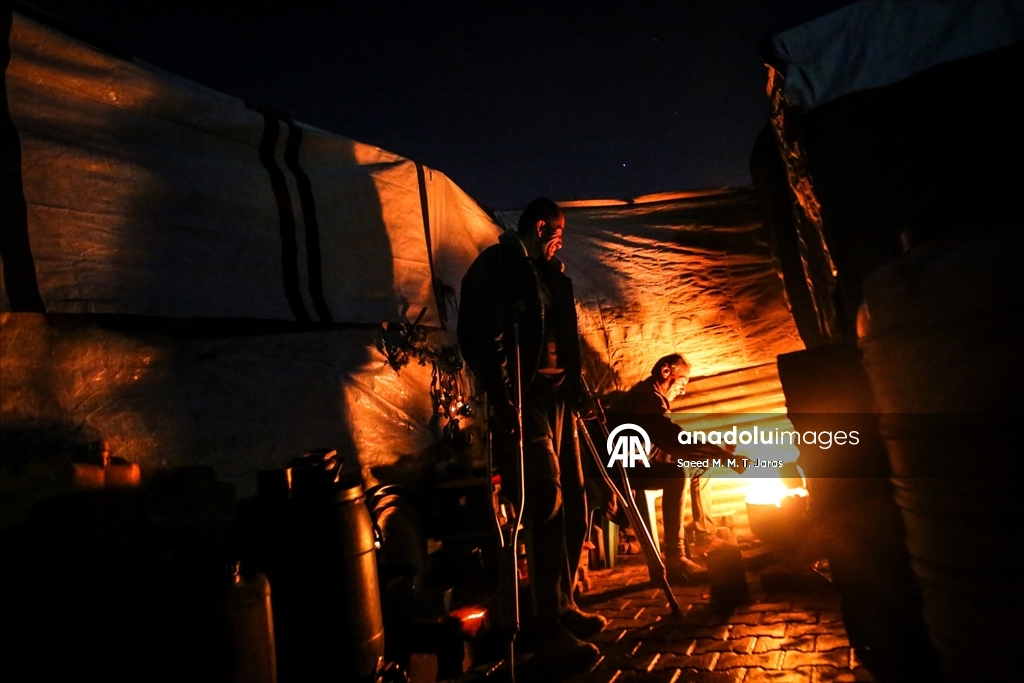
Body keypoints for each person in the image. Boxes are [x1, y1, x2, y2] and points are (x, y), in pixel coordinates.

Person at [457, 198, 603, 667]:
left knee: (576, 501)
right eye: (558, 233)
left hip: (559, 399)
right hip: (527, 399)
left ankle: (562, 604)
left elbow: (563, 336)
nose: (561, 242)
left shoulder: (547, 273)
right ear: (541, 227)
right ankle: (545, 629)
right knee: (547, 502)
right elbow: (482, 338)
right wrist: (504, 401)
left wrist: (579, 389)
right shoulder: (497, 266)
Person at [608, 354, 734, 583]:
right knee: (676, 474)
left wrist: (710, 454)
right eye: (682, 381)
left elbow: (661, 445)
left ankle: (704, 535)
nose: (682, 390)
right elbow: (673, 439)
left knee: (701, 466)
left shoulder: (650, 398)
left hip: (642, 462)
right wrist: (721, 455)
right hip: (624, 471)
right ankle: (676, 559)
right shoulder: (644, 399)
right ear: (666, 371)